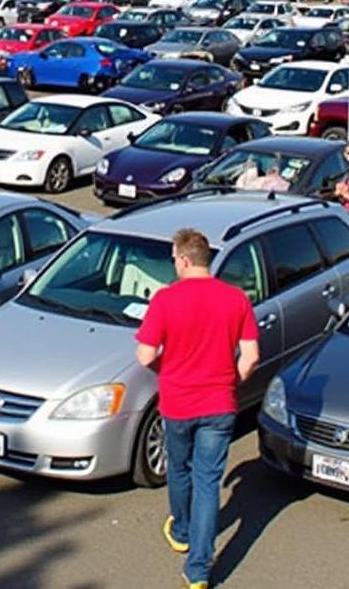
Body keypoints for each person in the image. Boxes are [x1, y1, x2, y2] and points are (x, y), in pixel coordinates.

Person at [136, 228, 259, 589]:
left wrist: (169, 371)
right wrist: (229, 380)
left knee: (179, 468)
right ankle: (199, 570)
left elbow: (144, 355)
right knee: (208, 482)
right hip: (220, 403)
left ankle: (182, 529)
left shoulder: (165, 300)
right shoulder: (236, 299)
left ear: (184, 259)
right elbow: (251, 356)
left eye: (174, 258)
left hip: (177, 403)